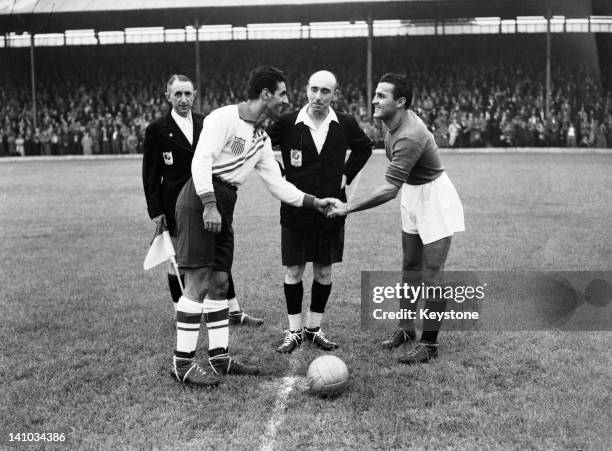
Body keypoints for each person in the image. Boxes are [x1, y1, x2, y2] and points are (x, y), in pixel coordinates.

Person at [170, 66, 333, 386]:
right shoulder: (224, 118)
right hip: (202, 200)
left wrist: (315, 202)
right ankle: (182, 363)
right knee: (199, 282)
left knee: (218, 283)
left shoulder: (259, 138)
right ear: (266, 94)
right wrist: (209, 204)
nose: (287, 100)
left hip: (223, 204)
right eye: (283, 94)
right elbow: (201, 159)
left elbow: (279, 185)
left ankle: (219, 356)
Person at [326, 73, 464, 364]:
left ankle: (429, 343)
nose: (374, 100)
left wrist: (346, 207)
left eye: (381, 95)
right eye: (375, 94)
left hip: (434, 198)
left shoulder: (409, 135)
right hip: (413, 194)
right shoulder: (393, 125)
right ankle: (405, 329)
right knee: (410, 264)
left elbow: (389, 189)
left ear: (400, 102)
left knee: (431, 271)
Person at [143, 74, 262, 326]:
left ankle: (233, 311)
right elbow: (150, 174)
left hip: (209, 199)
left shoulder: (206, 122)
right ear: (168, 97)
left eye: (188, 94)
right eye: (178, 94)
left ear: (194, 95)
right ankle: (180, 312)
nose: (183, 99)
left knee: (219, 257)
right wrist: (156, 210)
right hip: (176, 204)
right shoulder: (157, 129)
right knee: (176, 260)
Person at [267, 70, 372, 353]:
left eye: (325, 91)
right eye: (314, 89)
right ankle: (293, 331)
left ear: (335, 95)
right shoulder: (288, 123)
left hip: (331, 210)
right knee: (294, 269)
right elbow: (260, 145)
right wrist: (277, 175)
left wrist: (347, 175)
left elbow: (364, 148)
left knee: (324, 271)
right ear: (305, 90)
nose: (318, 96)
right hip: (296, 209)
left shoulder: (345, 124)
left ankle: (314, 327)